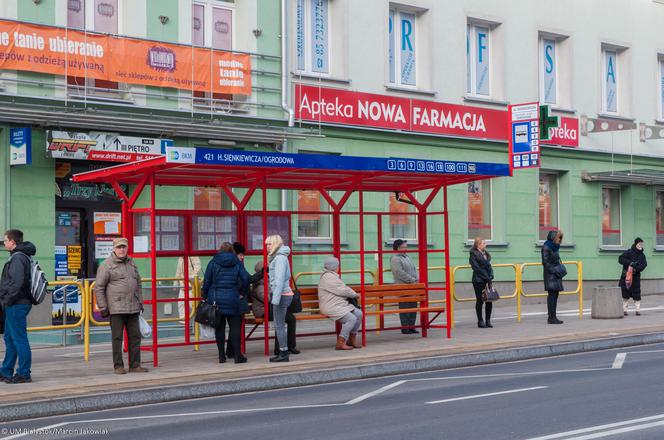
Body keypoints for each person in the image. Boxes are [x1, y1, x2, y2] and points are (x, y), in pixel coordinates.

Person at [95, 237, 148, 374]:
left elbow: (139, 283)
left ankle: (135, 365)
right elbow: (99, 287)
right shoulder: (106, 265)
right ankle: (118, 366)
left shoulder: (132, 263)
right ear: (114, 249)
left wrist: (140, 301)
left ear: (127, 248)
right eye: (119, 247)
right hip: (116, 308)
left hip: (133, 307)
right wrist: (103, 307)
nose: (122, 250)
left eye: (124, 247)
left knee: (135, 337)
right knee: (117, 338)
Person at [202, 242, 250, 364]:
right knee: (235, 328)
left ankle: (221, 356)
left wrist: (204, 296)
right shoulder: (237, 263)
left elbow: (207, 281)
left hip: (216, 299)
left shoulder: (213, 262)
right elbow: (246, 279)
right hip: (233, 299)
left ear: (220, 250)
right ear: (232, 251)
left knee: (220, 328)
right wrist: (243, 293)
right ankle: (238, 356)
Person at [0, 229, 36, 384]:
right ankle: (6, 370)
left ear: (12, 242)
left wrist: (7, 300)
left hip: (16, 303)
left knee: (19, 339)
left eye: (5, 240)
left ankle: (24, 373)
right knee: (9, 337)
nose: (4, 243)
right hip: (16, 303)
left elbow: (17, 282)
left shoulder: (18, 258)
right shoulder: (21, 256)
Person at [248, 260, 299, 356]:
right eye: (269, 269)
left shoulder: (270, 280)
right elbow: (267, 298)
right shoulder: (259, 284)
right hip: (262, 310)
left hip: (271, 308)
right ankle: (280, 348)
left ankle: (291, 346)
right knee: (280, 318)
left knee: (291, 318)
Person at [317, 257, 363, 350]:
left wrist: (354, 294)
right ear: (334, 267)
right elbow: (342, 290)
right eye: (338, 265)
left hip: (339, 305)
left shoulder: (332, 276)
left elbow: (344, 288)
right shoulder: (328, 277)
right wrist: (355, 295)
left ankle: (351, 340)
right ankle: (341, 342)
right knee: (351, 319)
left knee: (359, 314)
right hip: (331, 306)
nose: (339, 267)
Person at [266, 234, 294, 362]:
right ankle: (283, 352)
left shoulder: (280, 259)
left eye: (269, 244)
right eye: (266, 244)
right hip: (282, 294)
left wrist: (275, 299)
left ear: (276, 244)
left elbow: (279, 280)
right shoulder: (279, 258)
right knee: (280, 325)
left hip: (281, 295)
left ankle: (283, 353)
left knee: (279, 325)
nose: (267, 247)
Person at [390, 239, 419, 334]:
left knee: (413, 306)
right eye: (403, 247)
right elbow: (399, 272)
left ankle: (411, 326)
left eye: (406, 247)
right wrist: (412, 280)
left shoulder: (407, 257)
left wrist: (416, 278)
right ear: (397, 248)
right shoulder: (395, 258)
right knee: (405, 307)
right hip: (403, 286)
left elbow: (414, 269)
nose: (405, 249)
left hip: (412, 285)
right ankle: (405, 327)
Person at [542, 230, 567, 324]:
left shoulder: (555, 247)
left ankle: (554, 316)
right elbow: (545, 262)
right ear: (553, 237)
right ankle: (551, 317)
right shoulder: (546, 247)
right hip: (550, 275)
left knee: (555, 295)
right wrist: (555, 271)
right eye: (558, 238)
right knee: (552, 296)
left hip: (556, 275)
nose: (559, 240)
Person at [469, 237, 494, 328]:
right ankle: (480, 321)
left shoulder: (486, 254)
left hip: (487, 280)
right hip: (478, 280)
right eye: (483, 243)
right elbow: (476, 268)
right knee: (480, 300)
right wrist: (487, 277)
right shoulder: (473, 254)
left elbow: (489, 266)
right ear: (478, 245)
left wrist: (491, 275)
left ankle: (488, 320)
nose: (485, 244)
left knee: (489, 300)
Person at [619, 237, 648, 316]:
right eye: (639, 244)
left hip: (636, 277)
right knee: (625, 294)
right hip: (626, 276)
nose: (640, 245)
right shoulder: (629, 252)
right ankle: (624, 310)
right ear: (636, 244)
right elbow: (620, 259)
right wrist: (630, 263)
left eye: (641, 244)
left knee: (637, 294)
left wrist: (636, 268)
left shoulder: (642, 255)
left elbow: (644, 265)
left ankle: (637, 310)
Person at [175, 256, 201, 323]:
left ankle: (197, 323)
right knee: (181, 303)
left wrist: (189, 278)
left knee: (193, 305)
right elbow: (178, 271)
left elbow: (197, 268)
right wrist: (175, 283)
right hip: (182, 286)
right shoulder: (180, 258)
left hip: (191, 286)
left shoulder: (194, 257)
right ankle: (184, 322)